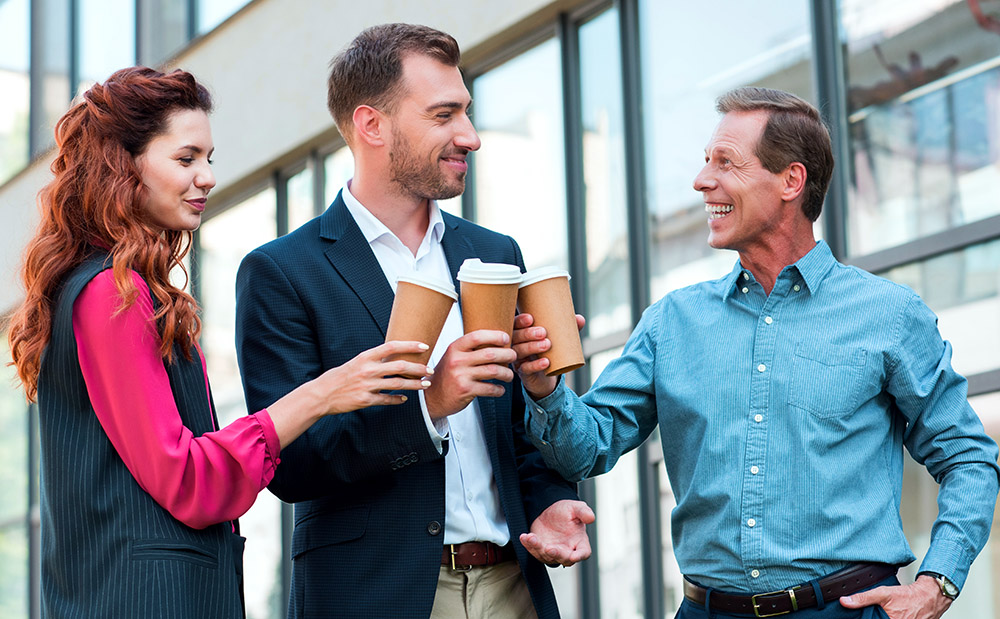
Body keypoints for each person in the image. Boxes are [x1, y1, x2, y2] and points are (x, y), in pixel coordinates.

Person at [513, 87, 1000, 619]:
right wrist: (544, 387)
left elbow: (969, 457)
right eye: (705, 162)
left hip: (845, 609)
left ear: (791, 180)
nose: (702, 181)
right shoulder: (672, 322)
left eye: (726, 162)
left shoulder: (889, 314)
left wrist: (936, 584)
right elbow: (588, 447)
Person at [5, 66, 435, 619]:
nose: (206, 176)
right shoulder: (112, 294)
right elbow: (188, 480)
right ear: (121, 166)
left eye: (209, 159)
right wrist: (324, 392)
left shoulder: (108, 288)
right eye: (185, 159)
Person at [235, 23, 593, 619]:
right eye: (444, 115)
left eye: (467, 113)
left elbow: (519, 429)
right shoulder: (282, 273)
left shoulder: (495, 255)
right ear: (372, 124)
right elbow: (290, 463)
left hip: (513, 587)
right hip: (375, 595)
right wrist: (431, 404)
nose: (470, 137)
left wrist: (550, 500)